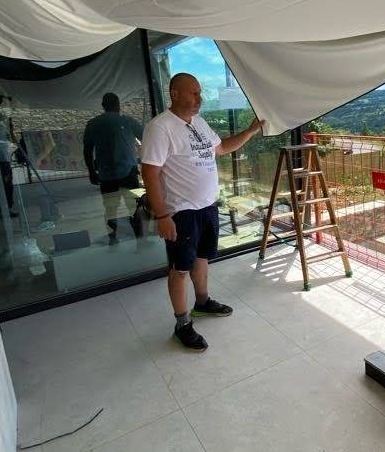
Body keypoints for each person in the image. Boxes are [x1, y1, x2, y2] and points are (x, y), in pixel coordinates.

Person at [141, 72, 265, 351]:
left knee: (201, 258)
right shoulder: (160, 128)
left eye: (200, 92)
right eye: (194, 93)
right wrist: (162, 216)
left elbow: (220, 148)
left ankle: (202, 302)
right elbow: (149, 173)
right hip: (181, 212)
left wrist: (249, 131)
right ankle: (182, 323)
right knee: (179, 269)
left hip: (207, 206)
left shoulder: (198, 123)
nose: (200, 98)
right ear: (174, 93)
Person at [83, 93, 144, 242]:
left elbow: (87, 149)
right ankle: (140, 239)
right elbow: (147, 137)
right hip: (129, 172)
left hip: (106, 174)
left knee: (110, 209)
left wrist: (91, 171)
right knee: (135, 207)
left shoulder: (93, 123)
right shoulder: (127, 121)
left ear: (103, 106)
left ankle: (113, 238)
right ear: (118, 105)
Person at [0, 95, 18, 217]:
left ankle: (7, 207)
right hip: (2, 156)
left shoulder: (5, 117)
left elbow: (9, 132)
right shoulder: (2, 117)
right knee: (6, 182)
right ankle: (4, 208)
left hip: (4, 155)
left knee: (7, 182)